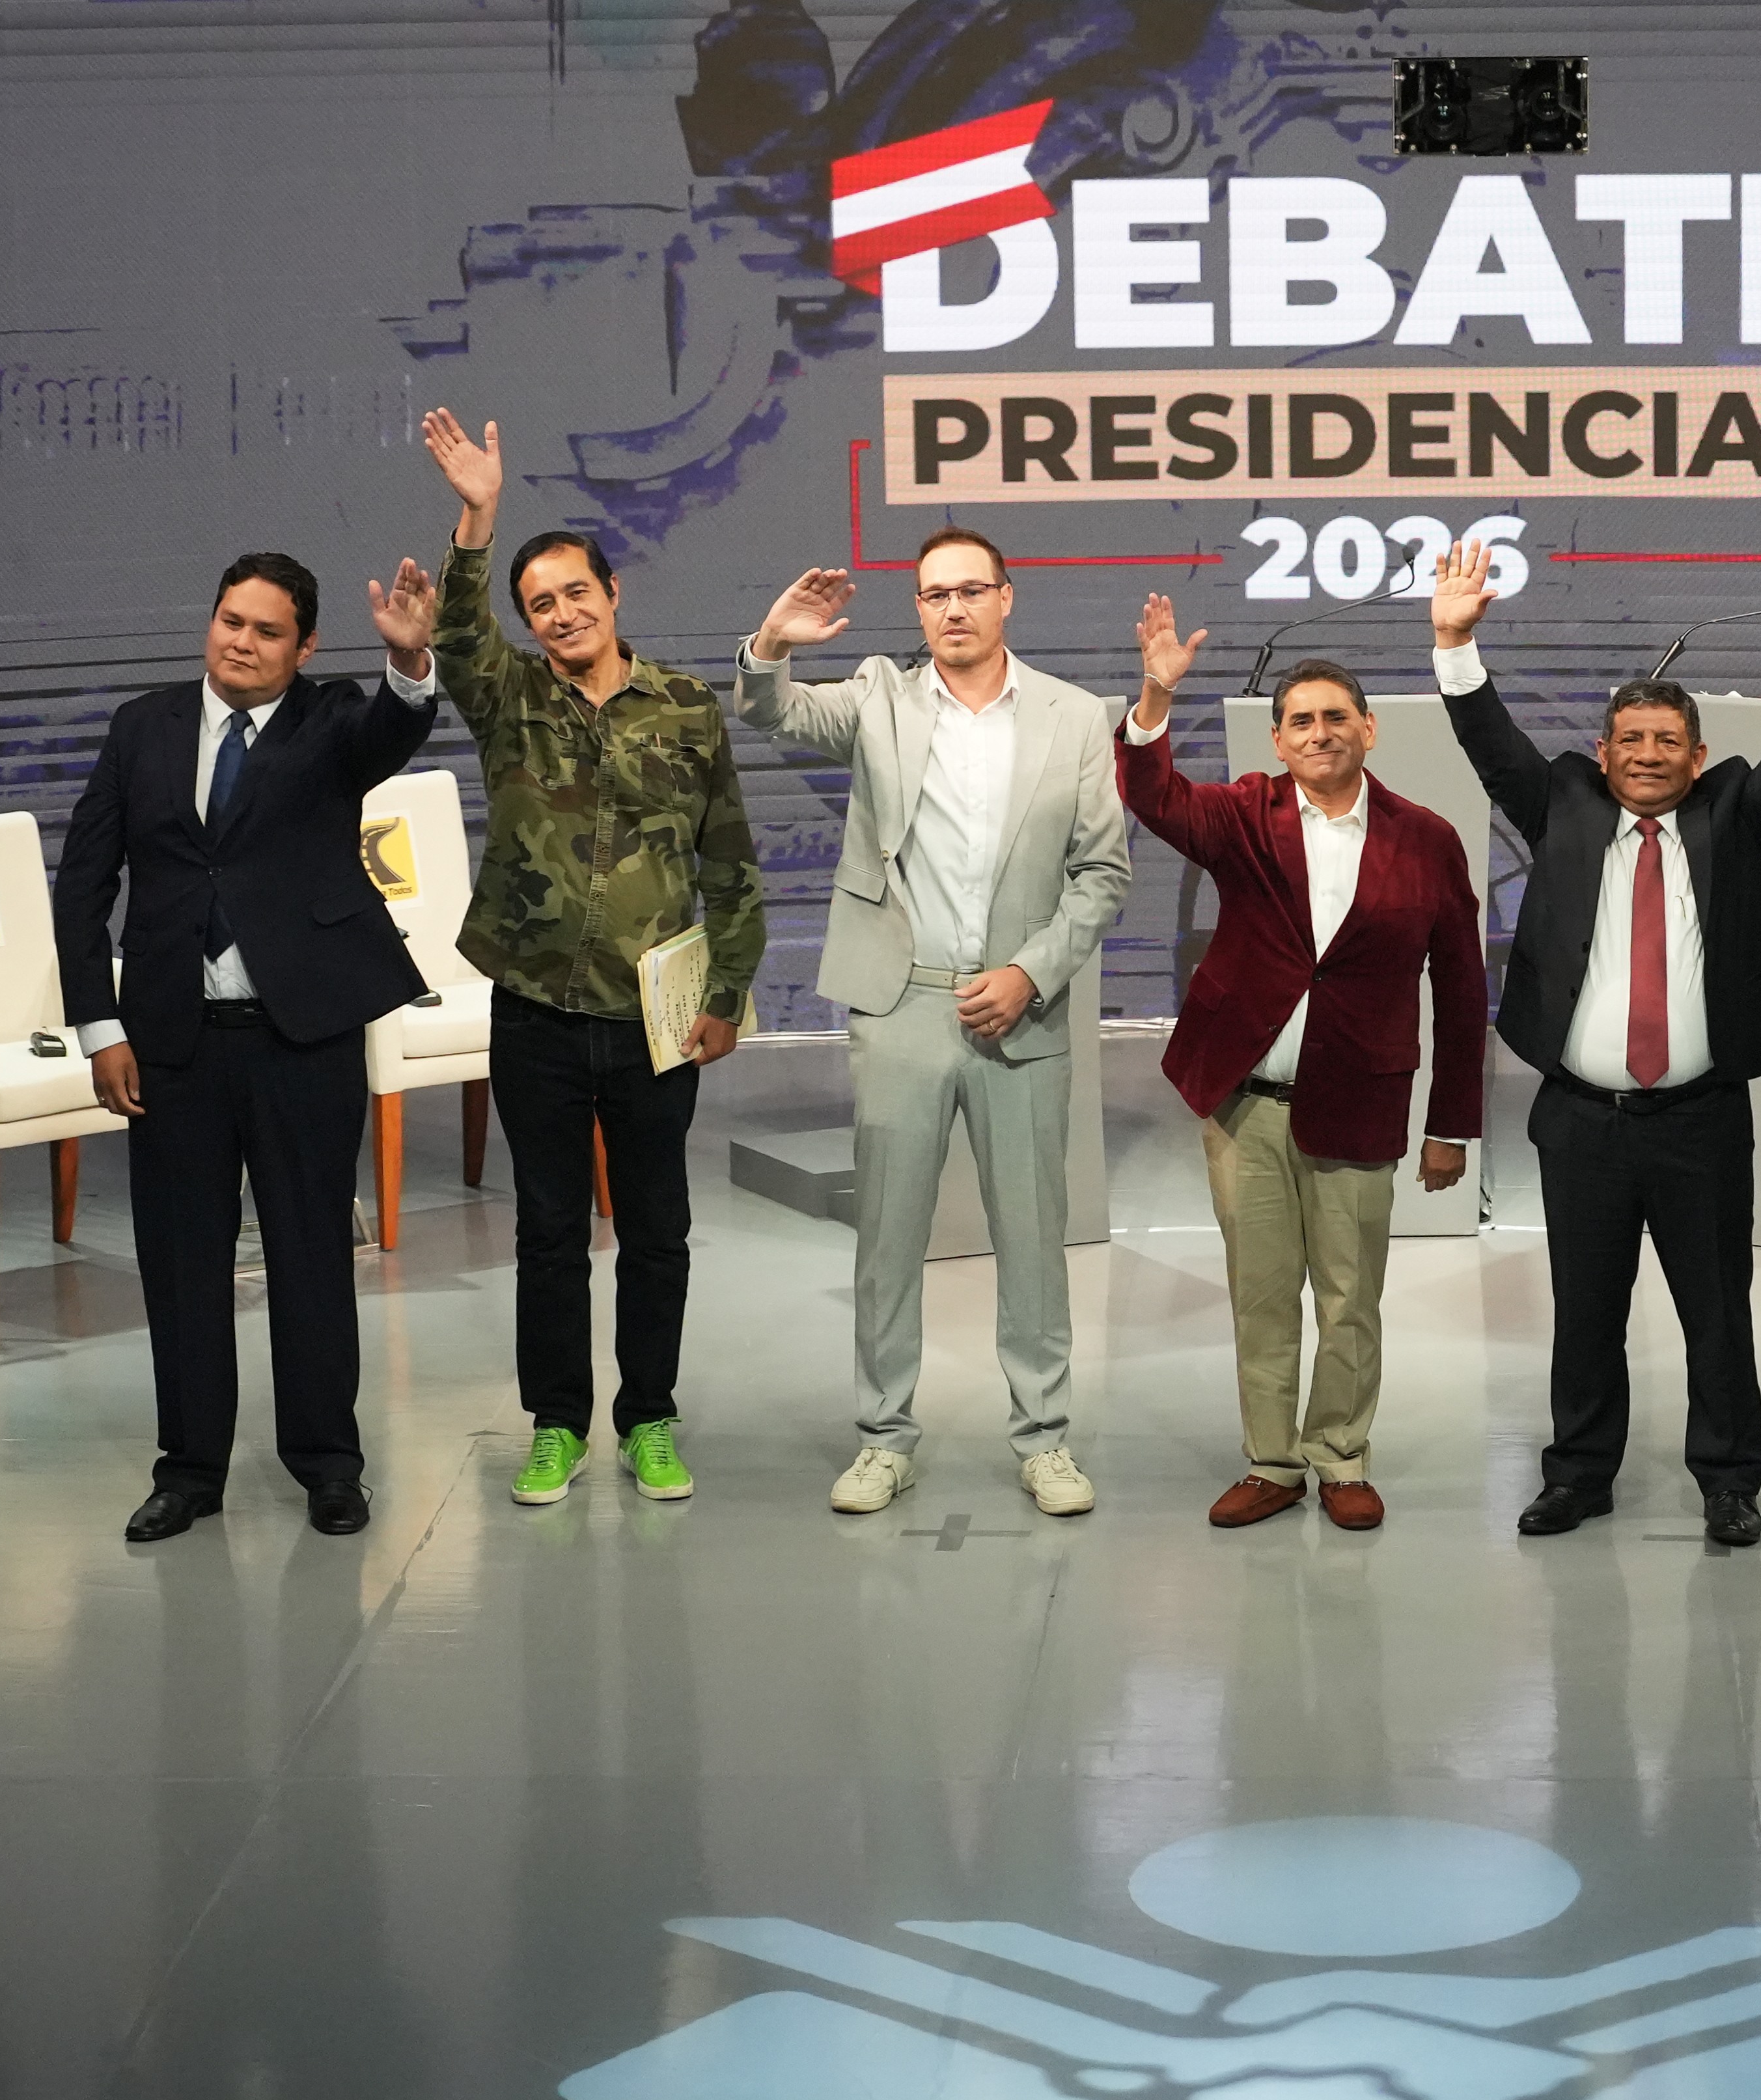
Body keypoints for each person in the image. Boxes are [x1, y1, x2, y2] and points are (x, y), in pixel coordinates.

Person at [1434, 539, 1761, 1546]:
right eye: (1629, 739)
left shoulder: (1733, 815)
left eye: (1666, 741)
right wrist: (1454, 643)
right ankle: (1578, 1474)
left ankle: (1728, 1480)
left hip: (1698, 1117)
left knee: (1716, 1313)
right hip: (1580, 1121)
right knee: (1585, 1313)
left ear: (1697, 758)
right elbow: (1493, 746)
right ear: (1602, 754)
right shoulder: (1561, 805)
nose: (1647, 754)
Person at [739, 536, 1133, 1519]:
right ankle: (883, 1438)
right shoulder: (879, 695)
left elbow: (1104, 874)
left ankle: (1044, 1440)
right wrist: (771, 645)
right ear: (916, 611)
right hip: (902, 1001)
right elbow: (770, 708)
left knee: (1033, 1238)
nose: (951, 609)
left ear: (1007, 598)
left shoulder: (1075, 718)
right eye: (932, 595)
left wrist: (1030, 972)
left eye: (969, 591)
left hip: (1019, 1005)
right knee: (888, 1237)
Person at [52, 552, 441, 1543]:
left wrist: (410, 662)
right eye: (232, 620)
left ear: (303, 647)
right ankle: (188, 1471)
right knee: (180, 1264)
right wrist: (101, 1025)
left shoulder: (332, 720)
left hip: (300, 1037)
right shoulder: (142, 726)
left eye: (268, 632)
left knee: (311, 1254)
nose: (242, 642)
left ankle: (327, 1465)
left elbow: (394, 727)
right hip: (171, 1043)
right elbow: (85, 884)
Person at [419, 411, 767, 1510]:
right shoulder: (509, 698)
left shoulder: (687, 707)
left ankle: (650, 1417)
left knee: (658, 1229)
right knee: (550, 1230)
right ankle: (557, 1423)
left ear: (612, 595)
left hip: (655, 1020)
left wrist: (727, 996)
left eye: (575, 594)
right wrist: (479, 515)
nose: (559, 614)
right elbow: (460, 636)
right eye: (540, 604)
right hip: (534, 1012)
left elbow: (730, 863)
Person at [1115, 605, 1485, 1530]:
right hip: (1248, 1107)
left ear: (1369, 728)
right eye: (1300, 720)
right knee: (1263, 1293)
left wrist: (1451, 1124)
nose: (1320, 732)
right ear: (1277, 739)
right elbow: (1153, 795)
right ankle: (1273, 1461)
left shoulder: (1425, 836)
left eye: (1336, 716)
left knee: (1351, 1301)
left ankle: (1341, 1456)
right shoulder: (1243, 814)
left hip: (1360, 1103)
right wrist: (1157, 690)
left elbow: (1465, 987)